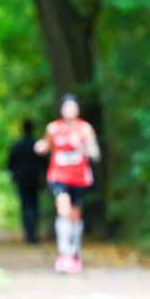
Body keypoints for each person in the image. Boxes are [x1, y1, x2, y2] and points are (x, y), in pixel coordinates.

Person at [34, 94, 100, 274]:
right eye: (66, 107)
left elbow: (95, 154)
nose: (69, 111)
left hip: (79, 177)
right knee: (63, 210)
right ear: (61, 109)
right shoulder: (53, 128)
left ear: (78, 110)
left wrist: (81, 147)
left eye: (73, 107)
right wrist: (40, 146)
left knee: (75, 215)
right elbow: (45, 146)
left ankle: (75, 252)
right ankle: (63, 254)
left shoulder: (85, 128)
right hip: (58, 175)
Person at [7, 119, 46, 243]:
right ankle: (33, 233)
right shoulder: (36, 145)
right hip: (35, 179)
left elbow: (10, 164)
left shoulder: (17, 145)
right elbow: (44, 163)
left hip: (22, 180)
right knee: (34, 206)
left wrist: (14, 177)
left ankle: (28, 233)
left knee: (25, 206)